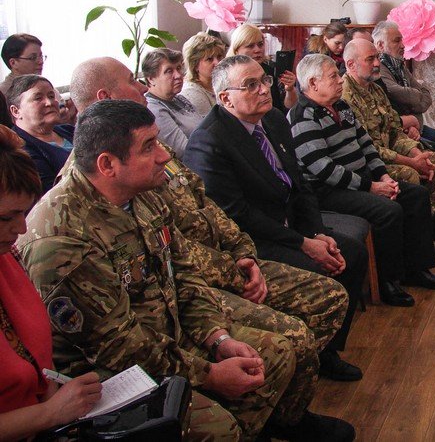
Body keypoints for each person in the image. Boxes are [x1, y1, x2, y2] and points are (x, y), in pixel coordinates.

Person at [18, 100, 353, 440]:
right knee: (220, 429)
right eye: (149, 146)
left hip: (171, 328)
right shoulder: (62, 239)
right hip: (109, 373)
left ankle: (263, 427)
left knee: (275, 355)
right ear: (107, 164)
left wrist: (218, 338)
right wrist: (210, 374)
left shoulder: (141, 193)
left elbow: (182, 272)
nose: (164, 155)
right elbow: (118, 347)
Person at [68, 56, 353, 386]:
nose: (143, 87)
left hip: (216, 266)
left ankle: (312, 371)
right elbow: (174, 258)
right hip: (189, 289)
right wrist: (235, 274)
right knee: (289, 342)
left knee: (332, 289)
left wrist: (245, 255)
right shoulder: (94, 194)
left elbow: (207, 207)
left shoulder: (148, 155)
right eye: (133, 81)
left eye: (264, 81)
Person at [184, 55, 368, 382]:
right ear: (226, 98)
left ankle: (327, 350)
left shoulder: (273, 120)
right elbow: (236, 215)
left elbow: (299, 184)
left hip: (291, 224)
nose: (263, 89)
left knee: (351, 253)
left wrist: (316, 232)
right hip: (253, 241)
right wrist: (304, 244)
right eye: (250, 85)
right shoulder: (210, 141)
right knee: (321, 271)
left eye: (264, 80)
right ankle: (306, 360)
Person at [291, 54, 435, 303]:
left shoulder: (341, 106)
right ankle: (388, 282)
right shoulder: (303, 117)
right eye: (333, 76)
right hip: (328, 191)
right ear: (313, 83)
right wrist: (370, 187)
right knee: (388, 211)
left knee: (415, 195)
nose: (340, 80)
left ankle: (417, 269)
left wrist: (383, 176)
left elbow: (366, 144)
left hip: (359, 180)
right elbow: (324, 169)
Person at [0, 126, 103, 439]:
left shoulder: (8, 258)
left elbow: (35, 361)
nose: (21, 229)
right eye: (6, 218)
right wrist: (50, 413)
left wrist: (61, 403)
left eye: (24, 213)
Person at [341, 40, 435, 245]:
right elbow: (368, 148)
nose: (377, 63)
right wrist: (411, 162)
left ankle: (429, 230)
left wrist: (417, 155)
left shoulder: (375, 89)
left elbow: (394, 131)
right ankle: (414, 241)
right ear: (351, 64)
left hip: (389, 152)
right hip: (369, 162)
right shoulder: (346, 97)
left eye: (377, 57)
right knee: (410, 174)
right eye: (370, 59)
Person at [373, 20, 435, 158]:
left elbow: (425, 95)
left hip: (416, 126)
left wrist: (412, 104)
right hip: (401, 130)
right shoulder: (378, 68)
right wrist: (414, 98)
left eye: (402, 40)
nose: (402, 45)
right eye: (397, 41)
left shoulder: (398, 65)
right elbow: (394, 92)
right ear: (380, 45)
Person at [7, 75, 74, 193]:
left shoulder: (69, 130)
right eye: (38, 98)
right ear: (16, 111)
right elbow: (53, 192)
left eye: (51, 96)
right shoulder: (18, 150)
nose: (49, 102)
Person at [142, 48, 203, 157]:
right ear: (151, 79)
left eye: (179, 68)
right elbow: (183, 150)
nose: (178, 75)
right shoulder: (153, 108)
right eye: (169, 71)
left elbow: (205, 126)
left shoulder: (179, 98)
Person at [228, 23, 298, 110]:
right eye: (250, 46)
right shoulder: (228, 73)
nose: (257, 50)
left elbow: (290, 107)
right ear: (236, 50)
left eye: (260, 44)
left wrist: (290, 90)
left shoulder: (272, 69)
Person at [179, 32, 227, 117]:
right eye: (209, 59)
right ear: (195, 65)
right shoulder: (191, 92)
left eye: (219, 56)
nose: (217, 63)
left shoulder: (223, 83)